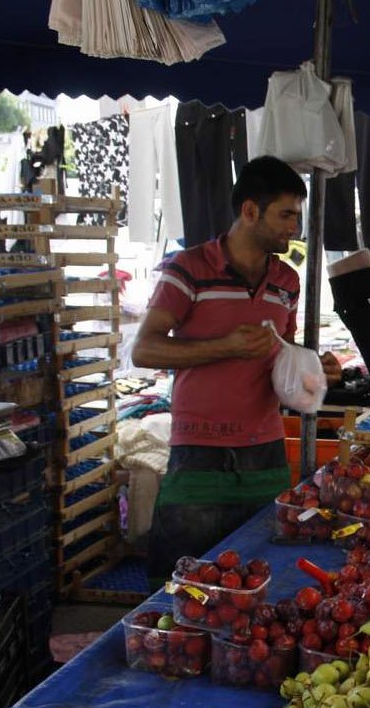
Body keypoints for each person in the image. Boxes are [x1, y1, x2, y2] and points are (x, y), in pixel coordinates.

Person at [134, 156, 341, 579]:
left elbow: (279, 352)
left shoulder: (287, 281)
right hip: (198, 453)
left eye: (296, 216)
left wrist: (311, 366)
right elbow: (144, 351)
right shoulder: (188, 270)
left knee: (261, 576)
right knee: (181, 585)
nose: (293, 228)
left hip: (265, 452)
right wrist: (224, 346)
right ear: (250, 211)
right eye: (285, 215)